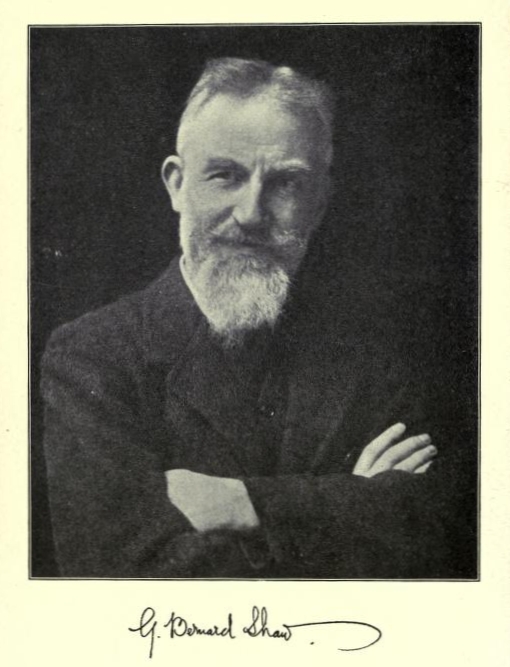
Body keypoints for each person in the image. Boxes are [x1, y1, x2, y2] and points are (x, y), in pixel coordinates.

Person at [41, 57, 475, 578]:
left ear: (320, 202)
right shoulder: (91, 357)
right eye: (225, 175)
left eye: (286, 182)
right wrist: (350, 505)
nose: (251, 213)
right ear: (177, 185)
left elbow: (440, 542)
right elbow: (122, 578)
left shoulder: (374, 357)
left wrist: (244, 502)